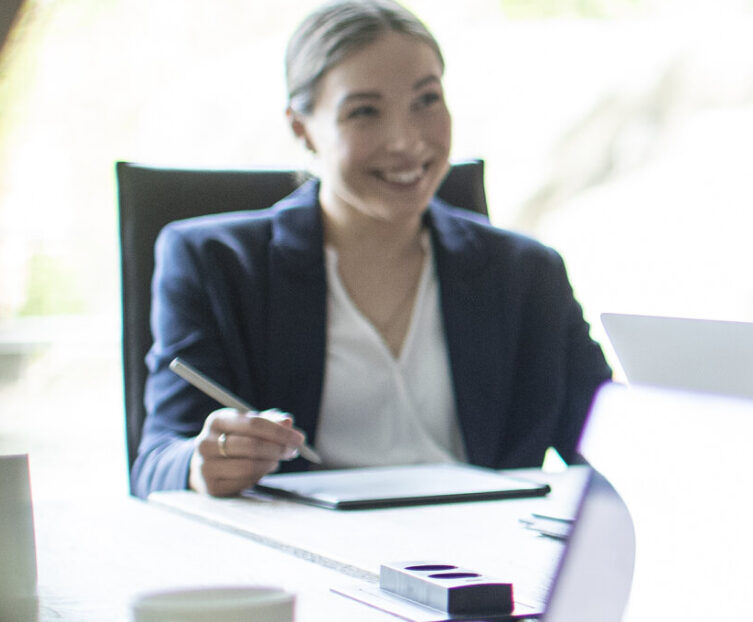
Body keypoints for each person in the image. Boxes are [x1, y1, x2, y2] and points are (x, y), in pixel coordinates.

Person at [130, 0, 611, 498]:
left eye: (426, 100)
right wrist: (201, 464)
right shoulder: (215, 265)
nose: (405, 141)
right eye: (364, 111)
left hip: (488, 541)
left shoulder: (527, 273)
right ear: (301, 127)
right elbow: (155, 466)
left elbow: (614, 445)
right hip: (303, 543)